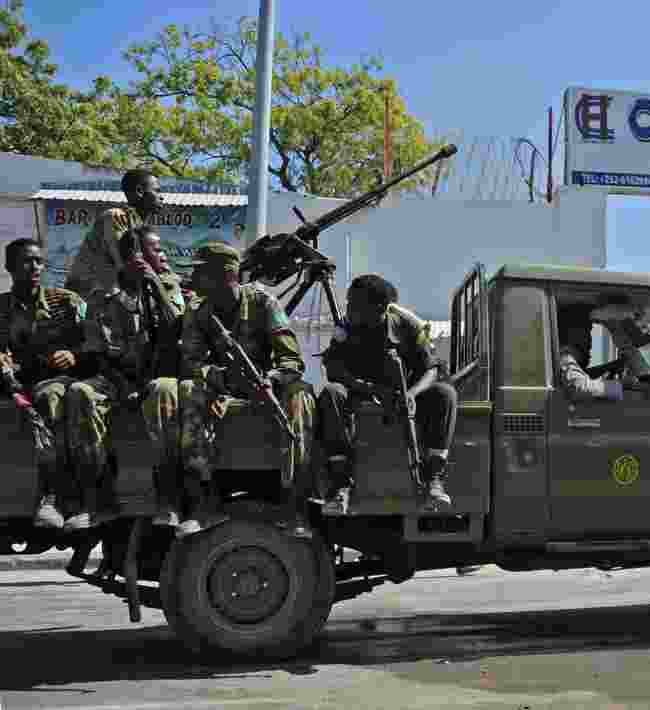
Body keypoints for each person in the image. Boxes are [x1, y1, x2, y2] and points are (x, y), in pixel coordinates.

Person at [178, 243, 316, 538]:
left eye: (203, 273)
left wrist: (273, 380)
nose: (196, 280)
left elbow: (292, 359)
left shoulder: (264, 303)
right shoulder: (198, 311)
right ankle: (203, 502)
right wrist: (220, 377)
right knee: (191, 390)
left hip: (265, 387)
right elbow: (191, 362)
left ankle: (295, 505)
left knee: (301, 395)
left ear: (228, 275)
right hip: (223, 388)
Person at [69, 226, 187, 530]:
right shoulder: (103, 296)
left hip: (159, 376)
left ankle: (167, 496)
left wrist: (155, 285)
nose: (162, 255)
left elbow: (178, 330)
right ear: (132, 256)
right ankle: (101, 495)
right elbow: (96, 352)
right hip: (117, 376)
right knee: (82, 392)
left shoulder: (171, 285)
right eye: (154, 249)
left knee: (163, 392)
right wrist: (122, 386)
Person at [318, 274, 457, 515]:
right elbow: (333, 368)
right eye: (349, 302)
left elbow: (432, 369)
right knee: (331, 393)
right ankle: (341, 484)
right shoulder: (345, 326)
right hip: (360, 392)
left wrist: (411, 394)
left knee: (445, 393)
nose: (348, 308)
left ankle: (434, 477)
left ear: (379, 308)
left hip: (404, 393)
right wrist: (366, 388)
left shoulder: (409, 324)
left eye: (355, 304)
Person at [0, 238, 93, 529]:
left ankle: (54, 495)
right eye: (27, 261)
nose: (35, 267)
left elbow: (97, 347)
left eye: (39, 260)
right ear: (9, 267)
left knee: (51, 396)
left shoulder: (67, 302)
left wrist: (74, 355)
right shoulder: (1, 308)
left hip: (57, 384)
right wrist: (12, 387)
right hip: (15, 387)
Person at [64, 169, 164, 299]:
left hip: (108, 292)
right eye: (156, 191)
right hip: (87, 294)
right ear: (139, 191)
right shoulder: (116, 217)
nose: (161, 196)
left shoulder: (138, 225)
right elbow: (129, 265)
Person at [557, 304, 649, 401]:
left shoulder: (581, 360)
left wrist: (618, 334)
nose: (590, 337)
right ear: (572, 332)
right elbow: (579, 388)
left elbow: (642, 375)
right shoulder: (564, 355)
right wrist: (620, 385)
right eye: (586, 330)